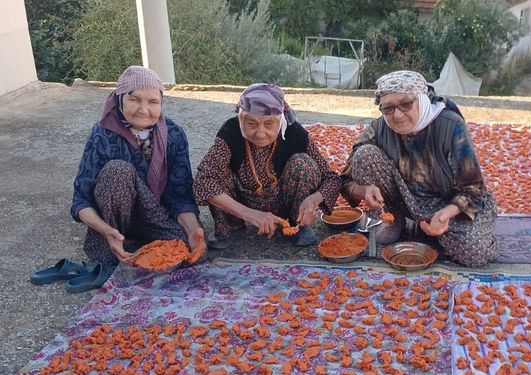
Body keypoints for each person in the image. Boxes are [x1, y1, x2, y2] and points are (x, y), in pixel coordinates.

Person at [340, 70, 497, 267]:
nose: (397, 115)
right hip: (406, 201)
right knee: (364, 155)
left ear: (422, 99)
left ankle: (434, 230)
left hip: (446, 205)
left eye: (406, 104)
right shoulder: (379, 128)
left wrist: (446, 214)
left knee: (474, 252)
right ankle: (393, 219)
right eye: (388, 108)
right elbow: (344, 180)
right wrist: (363, 190)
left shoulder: (450, 126)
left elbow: (473, 188)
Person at [67, 65, 203, 291]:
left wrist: (192, 229)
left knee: (188, 250)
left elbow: (181, 197)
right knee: (117, 171)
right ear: (119, 99)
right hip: (113, 223)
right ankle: (116, 243)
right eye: (135, 100)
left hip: (155, 216)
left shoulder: (174, 135)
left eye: (153, 102)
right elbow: (80, 201)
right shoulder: (102, 134)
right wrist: (106, 230)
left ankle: (139, 245)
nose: (143, 109)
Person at [193, 83, 340, 248]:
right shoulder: (231, 132)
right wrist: (249, 214)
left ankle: (296, 224)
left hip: (283, 201)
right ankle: (230, 226)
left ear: (280, 120)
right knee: (214, 171)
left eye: (269, 124)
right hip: (240, 201)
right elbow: (202, 182)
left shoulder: (294, 133)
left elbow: (332, 179)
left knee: (303, 164)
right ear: (241, 120)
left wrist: (313, 201)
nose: (261, 133)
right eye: (252, 124)